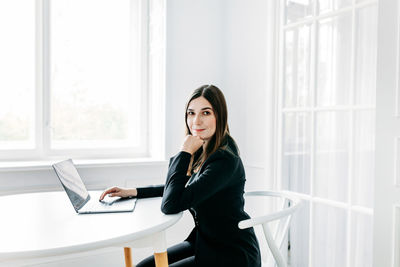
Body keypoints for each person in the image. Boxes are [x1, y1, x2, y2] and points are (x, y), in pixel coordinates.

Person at [99, 85, 261, 267]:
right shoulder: (204, 151)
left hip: (231, 253)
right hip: (205, 242)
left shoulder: (224, 160)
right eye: (191, 113)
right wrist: (133, 192)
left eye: (206, 113)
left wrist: (184, 152)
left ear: (219, 116)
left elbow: (171, 204)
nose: (196, 121)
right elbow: (180, 189)